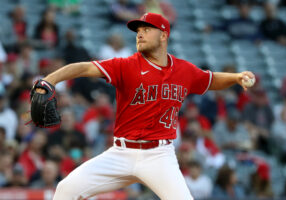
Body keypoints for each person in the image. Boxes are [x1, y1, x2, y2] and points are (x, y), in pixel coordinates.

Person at [35, 13, 255, 200]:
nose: (139, 34)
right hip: (121, 153)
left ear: (163, 35)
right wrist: (49, 80)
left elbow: (211, 79)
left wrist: (236, 77)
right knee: (65, 190)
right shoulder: (126, 65)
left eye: (147, 29)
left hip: (159, 156)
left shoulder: (184, 70)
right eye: (138, 30)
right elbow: (83, 67)